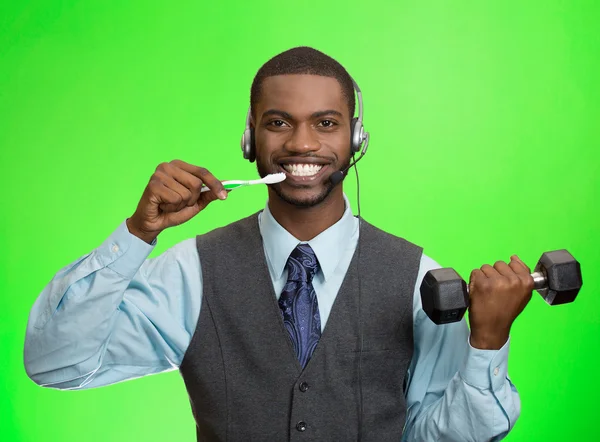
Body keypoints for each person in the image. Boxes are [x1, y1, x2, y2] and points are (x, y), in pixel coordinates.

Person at [24, 47, 532, 441]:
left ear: (356, 140)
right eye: (279, 122)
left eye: (326, 123)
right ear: (250, 140)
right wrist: (138, 234)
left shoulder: (419, 279)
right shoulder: (191, 272)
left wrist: (486, 344)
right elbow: (56, 363)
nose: (302, 144)